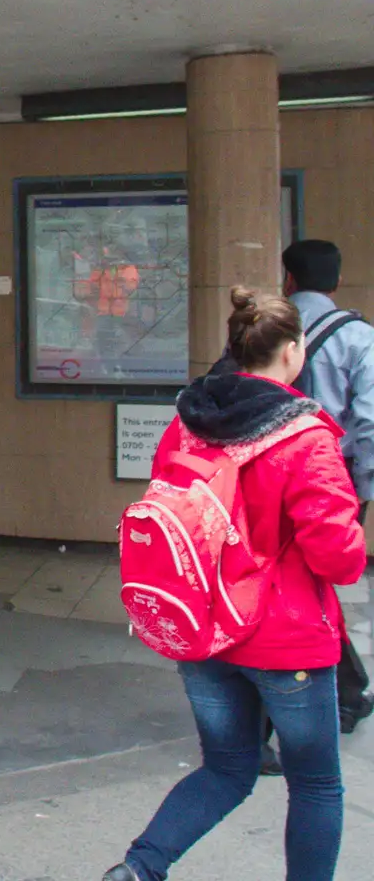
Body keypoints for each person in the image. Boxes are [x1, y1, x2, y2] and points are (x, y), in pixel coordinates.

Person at [103, 288, 366, 881]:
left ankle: (139, 869)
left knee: (226, 768)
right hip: (286, 641)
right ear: (293, 352)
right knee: (317, 784)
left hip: (202, 630)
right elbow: (340, 558)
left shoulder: (188, 423)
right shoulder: (305, 438)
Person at [283, 238, 374, 732]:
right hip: (331, 480)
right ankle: (340, 693)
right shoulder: (359, 337)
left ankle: (344, 690)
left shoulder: (262, 329)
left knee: (288, 580)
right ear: (337, 281)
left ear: (289, 280)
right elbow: (370, 422)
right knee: (315, 581)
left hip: (265, 477)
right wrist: (361, 492)